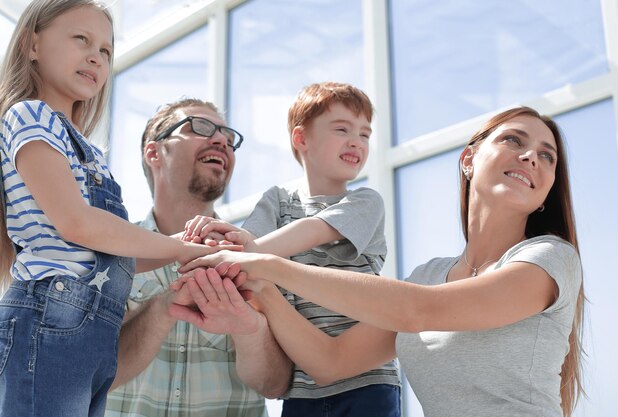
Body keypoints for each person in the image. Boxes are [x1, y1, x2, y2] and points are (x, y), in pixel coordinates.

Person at [176, 106, 585, 417]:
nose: (532, 156)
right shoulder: (429, 275)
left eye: (547, 156)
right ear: (468, 160)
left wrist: (266, 263)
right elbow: (329, 363)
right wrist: (263, 290)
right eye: (514, 140)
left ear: (546, 190)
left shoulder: (549, 259)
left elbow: (420, 310)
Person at [0, 2, 228, 416]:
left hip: (92, 334)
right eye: (81, 39)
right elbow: (76, 223)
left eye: (105, 50)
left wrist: (188, 246)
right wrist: (179, 250)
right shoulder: (31, 115)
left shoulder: (89, 150)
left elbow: (108, 254)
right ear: (33, 44)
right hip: (48, 321)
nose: (95, 56)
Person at [181, 82, 401, 417]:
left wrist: (238, 253)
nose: (356, 141)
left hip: (367, 381)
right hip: (301, 386)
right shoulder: (278, 201)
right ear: (301, 140)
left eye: (365, 134)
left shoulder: (365, 201)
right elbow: (246, 245)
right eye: (342, 129)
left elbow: (309, 232)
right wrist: (217, 244)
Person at [104, 98, 292, 417]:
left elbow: (273, 385)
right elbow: (95, 376)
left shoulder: (255, 259)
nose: (221, 140)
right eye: (201, 127)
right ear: (155, 153)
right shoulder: (111, 255)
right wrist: (166, 305)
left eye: (229, 139)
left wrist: (250, 328)